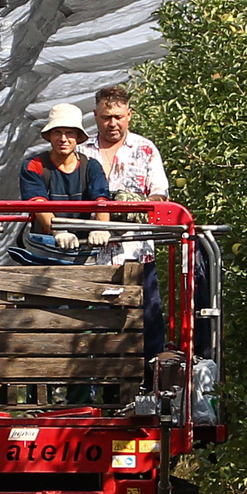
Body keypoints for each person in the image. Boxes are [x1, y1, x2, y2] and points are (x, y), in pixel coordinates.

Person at [86, 84, 170, 356]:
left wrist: (135, 205)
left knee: (147, 320)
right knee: (94, 323)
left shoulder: (145, 149)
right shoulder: (82, 152)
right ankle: (94, 378)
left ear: (129, 115)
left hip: (137, 251)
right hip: (92, 255)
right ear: (95, 116)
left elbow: (160, 193)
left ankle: (148, 375)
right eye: (106, 117)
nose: (112, 123)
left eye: (118, 117)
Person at [14, 103, 110, 264]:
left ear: (78, 137)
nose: (63, 139)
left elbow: (102, 201)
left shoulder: (91, 166)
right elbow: (38, 203)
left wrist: (101, 228)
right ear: (49, 136)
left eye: (69, 133)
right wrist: (59, 232)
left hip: (82, 247)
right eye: (57, 132)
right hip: (44, 247)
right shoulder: (34, 165)